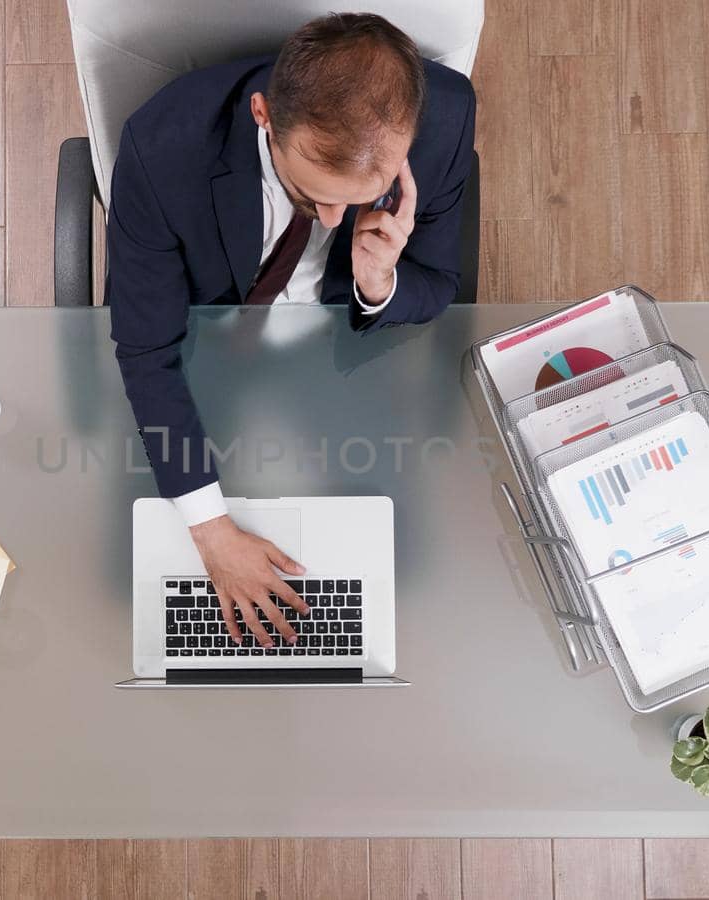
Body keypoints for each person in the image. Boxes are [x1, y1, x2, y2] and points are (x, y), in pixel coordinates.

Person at [107, 12, 476, 649]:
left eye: (361, 195)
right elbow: (146, 347)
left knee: (405, 572)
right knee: (123, 577)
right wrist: (212, 531)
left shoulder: (444, 121)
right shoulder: (163, 146)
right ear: (262, 116)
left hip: (347, 355)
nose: (335, 216)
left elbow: (439, 282)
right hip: (207, 352)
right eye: (310, 194)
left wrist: (379, 280)